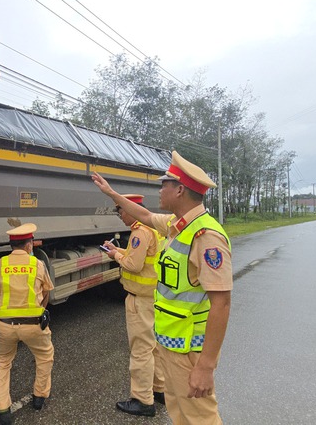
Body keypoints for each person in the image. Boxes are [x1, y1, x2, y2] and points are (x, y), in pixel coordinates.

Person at [92, 150, 232, 425]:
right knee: (180, 413)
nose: (159, 190)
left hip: (190, 350)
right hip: (171, 342)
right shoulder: (176, 226)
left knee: (200, 418)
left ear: (179, 190)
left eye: (163, 185)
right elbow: (143, 214)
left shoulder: (207, 236)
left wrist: (206, 366)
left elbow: (222, 303)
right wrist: (111, 193)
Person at [0, 223, 54, 425]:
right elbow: (46, 292)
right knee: (44, 356)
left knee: (2, 362)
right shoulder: (37, 264)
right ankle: (39, 397)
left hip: (4, 326)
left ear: (11, 246)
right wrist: (41, 311)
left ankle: (4, 410)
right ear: (29, 245)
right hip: (33, 325)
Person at [101, 194, 166, 417]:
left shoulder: (140, 232)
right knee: (154, 347)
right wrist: (116, 250)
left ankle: (142, 400)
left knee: (140, 350)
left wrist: (115, 257)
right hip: (153, 297)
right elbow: (139, 257)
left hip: (140, 300)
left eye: (120, 212)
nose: (120, 217)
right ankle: (159, 390)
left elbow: (134, 265)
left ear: (130, 209)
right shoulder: (154, 228)